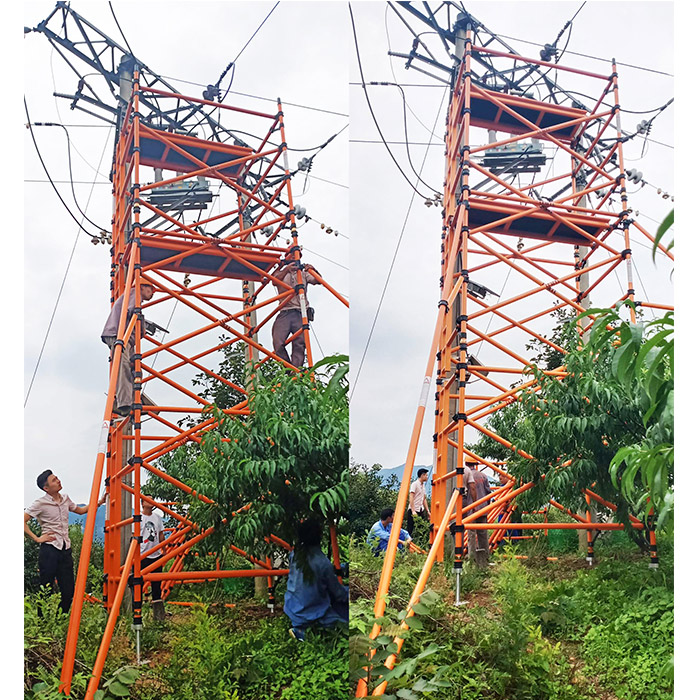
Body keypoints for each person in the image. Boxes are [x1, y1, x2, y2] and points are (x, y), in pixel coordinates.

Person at [24, 470, 105, 614]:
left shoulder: (65, 498)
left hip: (65, 548)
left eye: (57, 478)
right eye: (54, 480)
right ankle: (43, 623)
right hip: (49, 549)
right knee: (46, 589)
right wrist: (37, 538)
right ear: (46, 488)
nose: (58, 481)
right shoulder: (40, 503)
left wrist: (99, 502)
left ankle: (60, 618)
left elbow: (80, 511)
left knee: (68, 591)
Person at [284, 519, 348, 642]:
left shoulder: (295, 554)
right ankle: (304, 632)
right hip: (311, 612)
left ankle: (300, 628)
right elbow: (338, 593)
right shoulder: (322, 563)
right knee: (343, 622)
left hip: (292, 606)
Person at [101, 281, 157, 416]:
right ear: (142, 286)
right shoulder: (134, 293)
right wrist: (142, 327)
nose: (153, 293)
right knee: (124, 366)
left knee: (133, 368)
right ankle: (124, 402)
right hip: (118, 335)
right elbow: (132, 312)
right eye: (150, 289)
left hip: (124, 337)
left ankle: (131, 398)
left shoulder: (133, 296)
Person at [271, 255, 321, 368]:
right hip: (285, 311)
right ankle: (289, 369)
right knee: (277, 342)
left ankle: (296, 371)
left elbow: (318, 280)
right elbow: (274, 281)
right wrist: (286, 269)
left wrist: (312, 270)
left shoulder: (302, 273)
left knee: (300, 343)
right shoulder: (282, 272)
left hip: (300, 312)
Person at [137, 498, 166, 621]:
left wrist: (163, 550)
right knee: (138, 584)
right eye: (148, 500)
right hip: (142, 555)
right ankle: (137, 614)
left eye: (153, 500)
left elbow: (160, 534)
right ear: (142, 503)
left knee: (156, 585)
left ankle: (158, 618)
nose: (151, 502)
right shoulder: (139, 518)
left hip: (155, 555)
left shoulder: (157, 517)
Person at [465, 461, 492, 569]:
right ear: (475, 464)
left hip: (471, 509)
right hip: (483, 508)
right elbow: (488, 492)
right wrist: (487, 506)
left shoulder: (465, 474)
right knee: (483, 534)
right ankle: (485, 557)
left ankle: (472, 558)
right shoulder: (483, 476)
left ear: (466, 464)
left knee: (471, 534)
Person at [407, 468, 430, 536]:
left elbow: (424, 499)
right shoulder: (415, 484)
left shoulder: (423, 486)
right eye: (426, 475)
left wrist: (428, 511)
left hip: (420, 509)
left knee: (422, 530)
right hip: (414, 509)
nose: (427, 477)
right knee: (410, 529)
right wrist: (413, 510)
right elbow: (411, 496)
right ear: (422, 475)